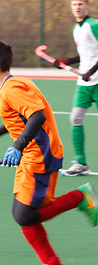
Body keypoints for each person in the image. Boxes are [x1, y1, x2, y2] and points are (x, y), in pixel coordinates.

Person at [0, 40, 97, 265]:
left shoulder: (12, 89)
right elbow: (22, 116)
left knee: (25, 215)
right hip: (32, 154)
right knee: (22, 211)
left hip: (40, 155)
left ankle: (80, 198)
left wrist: (16, 146)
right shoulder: (14, 85)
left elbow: (37, 116)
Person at [52, 0, 97, 176]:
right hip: (84, 84)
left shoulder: (94, 25)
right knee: (75, 119)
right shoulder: (75, 29)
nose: (77, 7)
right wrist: (66, 62)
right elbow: (85, 53)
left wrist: (91, 71)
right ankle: (81, 162)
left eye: (80, 3)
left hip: (97, 81)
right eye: (74, 4)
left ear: (87, 6)